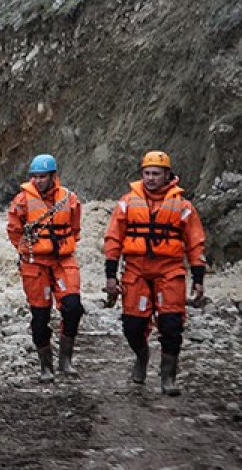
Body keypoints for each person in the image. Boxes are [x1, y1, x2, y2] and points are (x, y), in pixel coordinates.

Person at [104, 150, 207, 396]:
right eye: (147, 173)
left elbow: (195, 243)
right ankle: (142, 356)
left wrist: (199, 278)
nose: (151, 178)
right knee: (132, 327)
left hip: (169, 271)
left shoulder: (183, 206)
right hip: (136, 271)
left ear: (167, 175)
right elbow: (113, 239)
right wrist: (110, 275)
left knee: (171, 325)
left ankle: (168, 376)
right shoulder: (127, 203)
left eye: (156, 174)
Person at [7, 153, 84, 382]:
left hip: (62, 260)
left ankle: (65, 360)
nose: (38, 181)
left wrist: (63, 246)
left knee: (73, 307)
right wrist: (27, 249)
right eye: (35, 177)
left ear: (53, 176)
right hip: (35, 264)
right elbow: (13, 230)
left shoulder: (69, 199)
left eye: (43, 177)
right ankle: (45, 366)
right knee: (40, 317)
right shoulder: (22, 201)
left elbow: (75, 227)